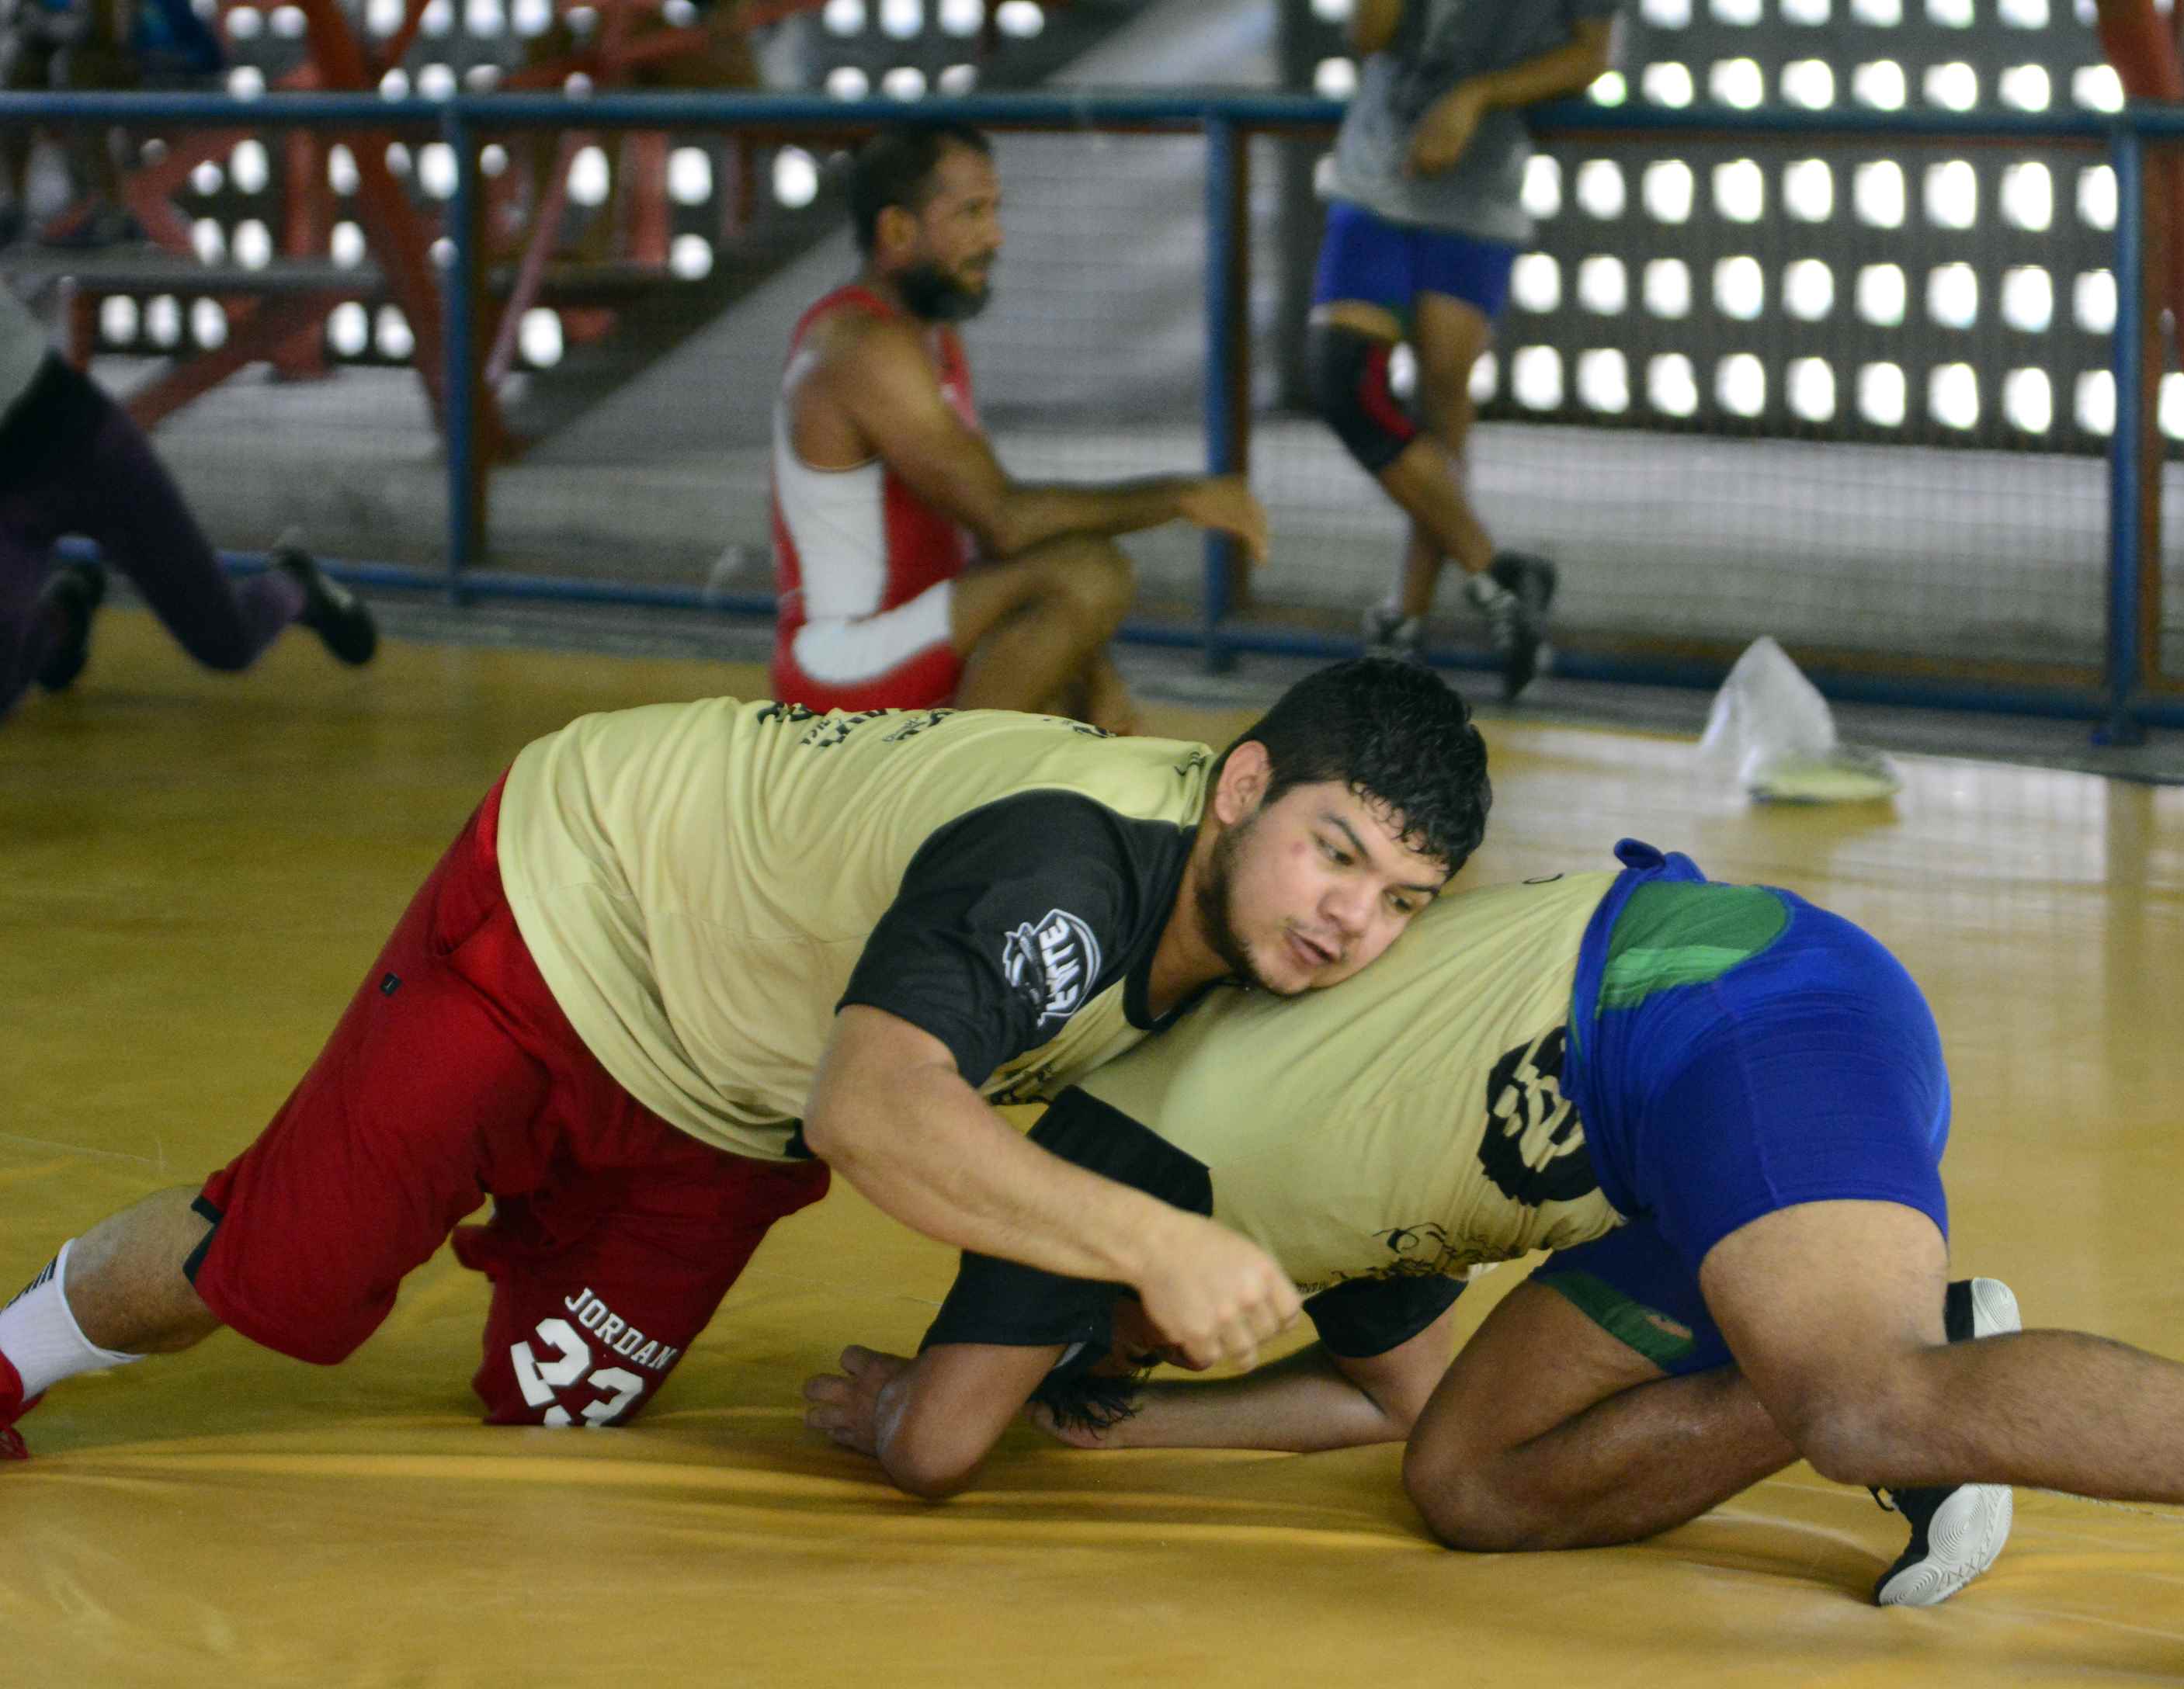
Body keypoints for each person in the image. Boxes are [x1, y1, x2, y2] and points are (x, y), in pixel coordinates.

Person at [804, 842, 2184, 1689]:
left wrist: (942, 1406)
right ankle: (1917, 1347)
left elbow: (938, 1440)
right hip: (1675, 1130)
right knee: (1469, 1479)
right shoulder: (1279, 1208)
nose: (1172, 1349)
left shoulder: (1151, 1155)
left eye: (1119, 1340)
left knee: (1859, 1405)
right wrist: (1105, 1416)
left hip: (1732, 1011)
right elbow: (1383, 1399)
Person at [0, 657, 1491, 1460]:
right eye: (1331, 852)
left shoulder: (1266, 945)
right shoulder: (1068, 867)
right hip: (581, 916)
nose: (1349, 922)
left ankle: (535, 1221)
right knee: (285, 1265)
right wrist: (1155, 1248)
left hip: (737, 1097)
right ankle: (12, 1354)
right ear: (1240, 787)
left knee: (554, 1403)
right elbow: (874, 1109)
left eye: (1400, 900)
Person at [770, 123, 1269, 732]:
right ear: (897, 230)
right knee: (1090, 575)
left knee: (1065, 673)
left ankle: (977, 760)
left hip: (919, 631)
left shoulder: (928, 336)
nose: (995, 236)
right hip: (843, 664)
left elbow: (995, 536)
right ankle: (951, 777)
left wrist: (1098, 677)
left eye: (995, 210)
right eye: (971, 213)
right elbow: (1008, 520)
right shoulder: (861, 345)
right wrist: (1180, 497)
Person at [1310, 0, 1613, 697]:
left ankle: (1404, 622)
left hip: (1477, 194)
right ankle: (1498, 573)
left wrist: (1477, 94)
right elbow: (1368, 35)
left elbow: (1591, 54)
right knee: (1344, 379)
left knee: (1443, 403)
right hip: (1379, 176)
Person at [0, 284, 375, 720]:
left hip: (92, 457)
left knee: (229, 642)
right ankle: (66, 616)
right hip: (15, 489)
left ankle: (294, 584)